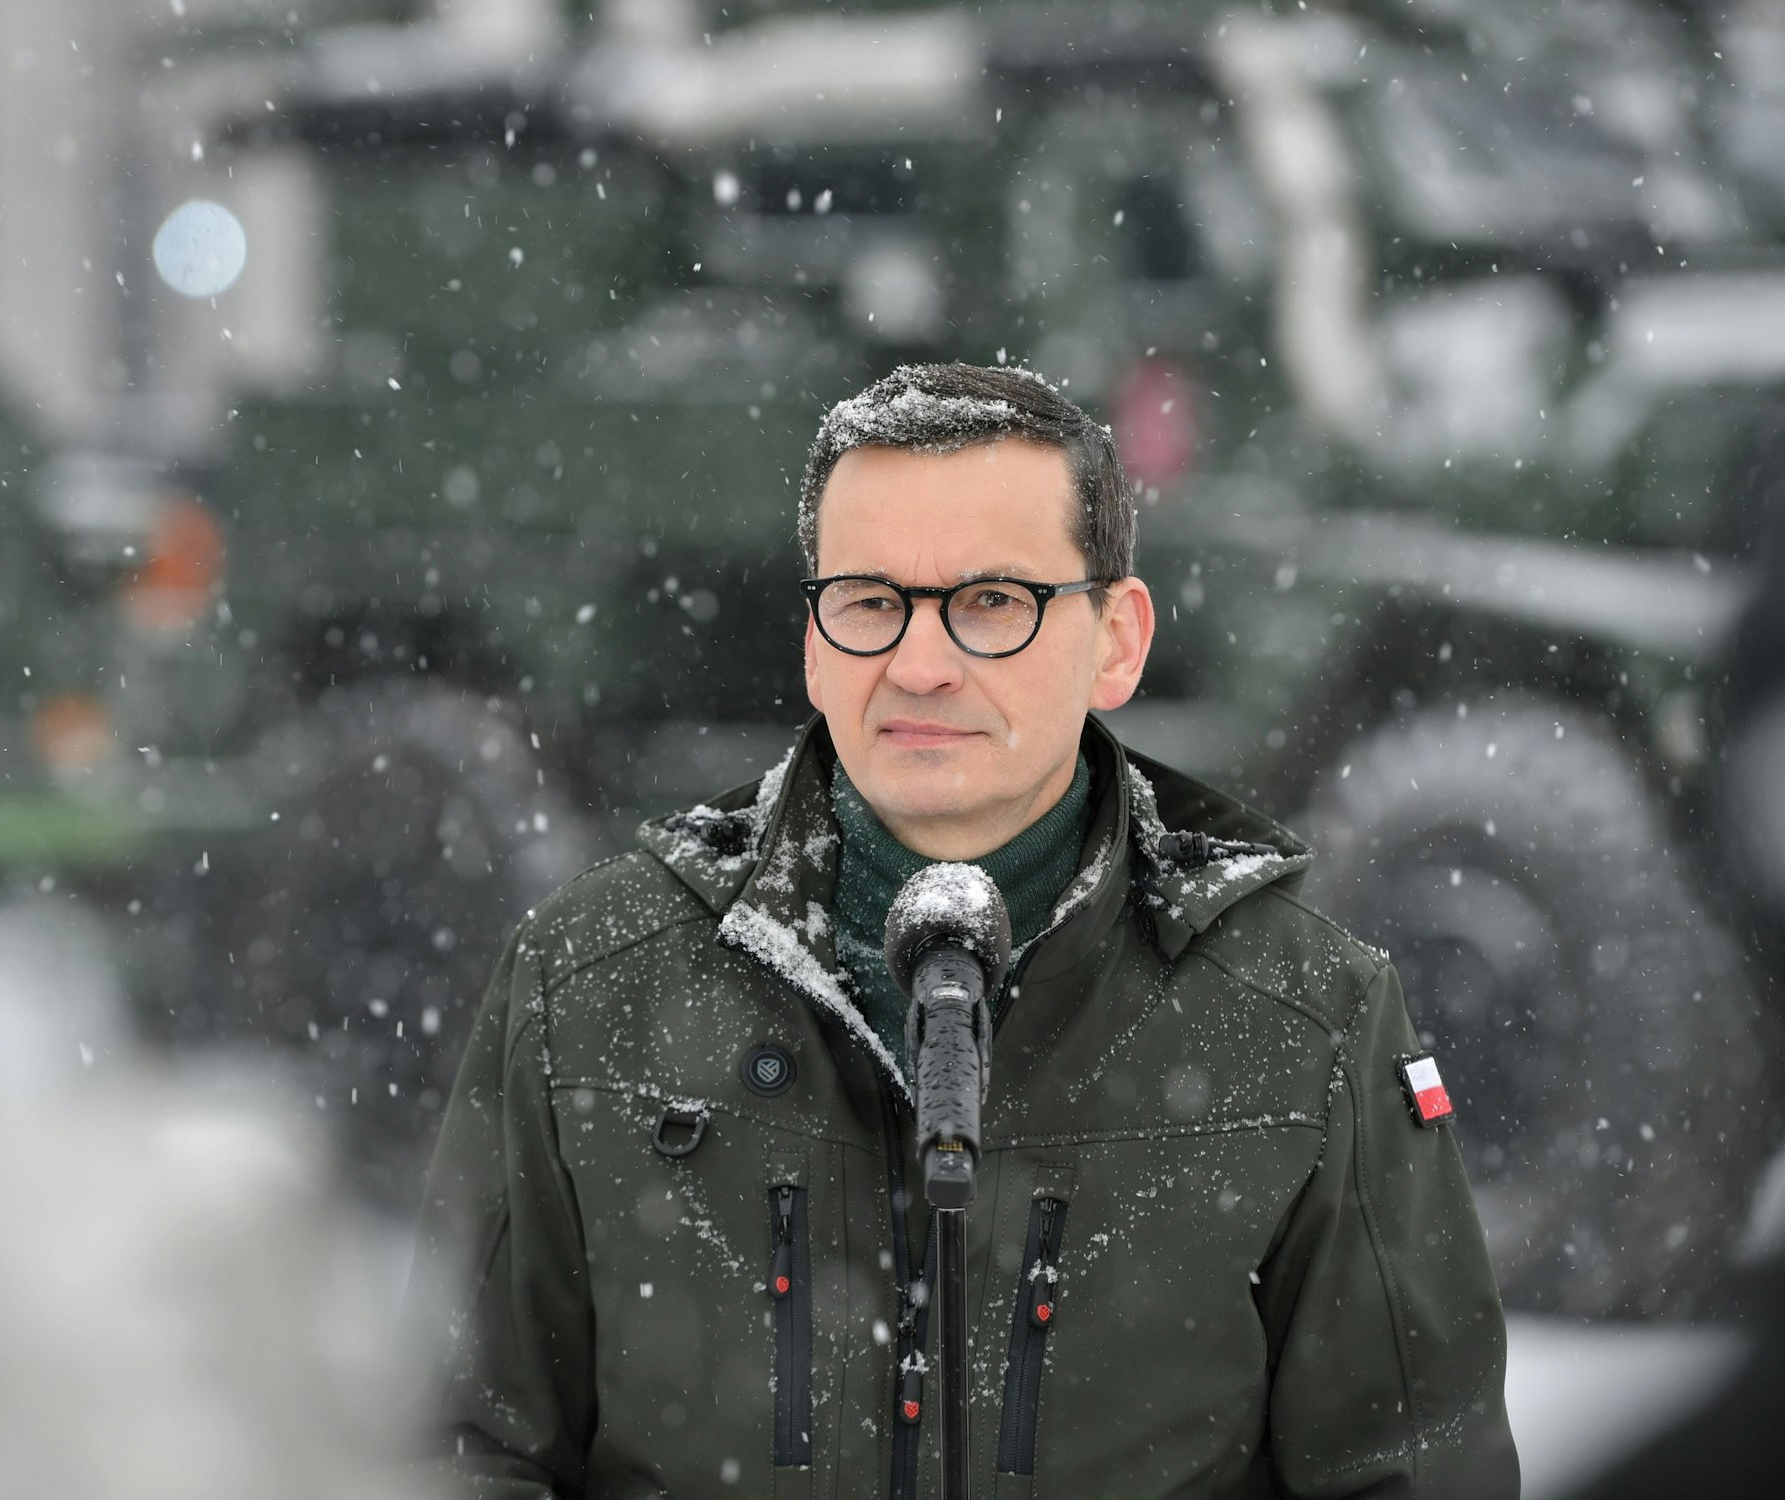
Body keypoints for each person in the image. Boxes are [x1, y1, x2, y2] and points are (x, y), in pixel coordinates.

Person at [405, 363, 1518, 1497]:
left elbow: (1411, 1473)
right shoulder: (585, 988)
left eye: (992, 601)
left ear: (1115, 639)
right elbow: (456, 1452)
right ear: (810, 640)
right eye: (869, 600)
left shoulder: (1307, 1023)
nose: (919, 663)